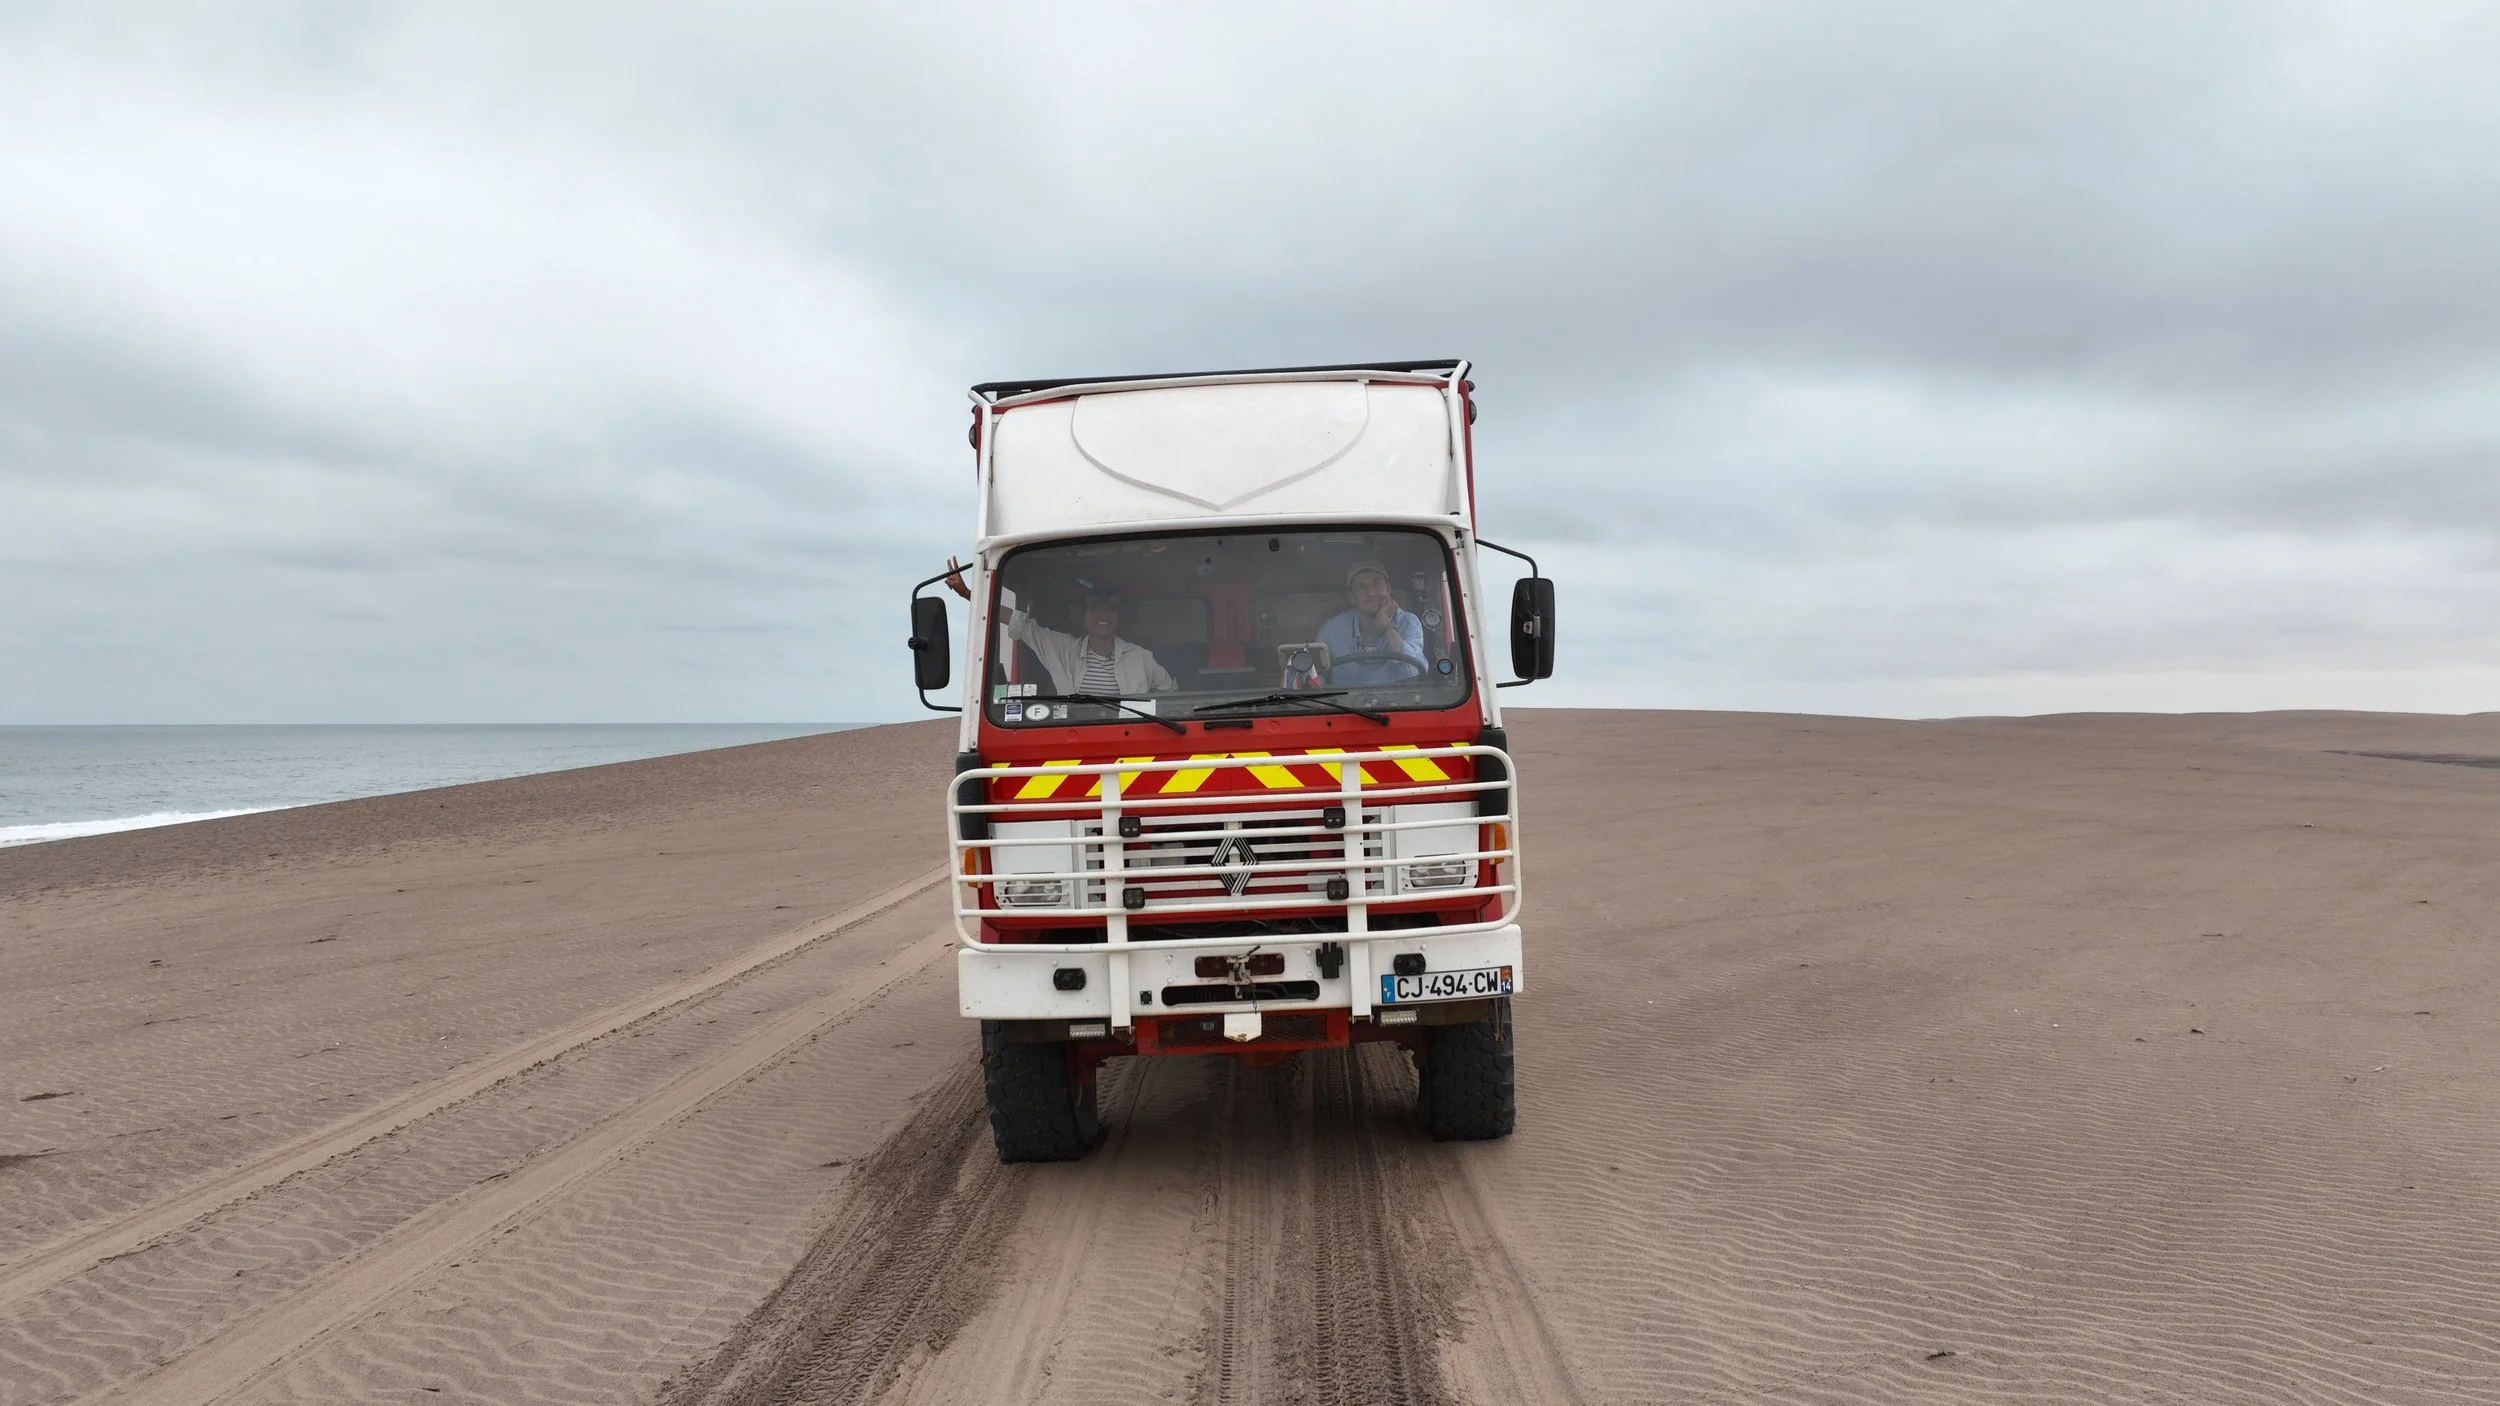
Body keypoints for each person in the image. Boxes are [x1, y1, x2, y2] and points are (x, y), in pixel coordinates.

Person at [946, 557, 1177, 696]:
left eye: (1110, 608)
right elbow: (1020, 623)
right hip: (1076, 741)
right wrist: (968, 594)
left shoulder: (1142, 657)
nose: (1103, 613)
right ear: (1084, 620)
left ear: (1119, 618)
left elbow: (1170, 694)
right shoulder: (1062, 648)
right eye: (1095, 608)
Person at [1316, 559, 1428, 686]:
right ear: (1352, 596)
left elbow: (1415, 670)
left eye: (1377, 584)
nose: (1371, 593)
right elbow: (1314, 675)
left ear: (1388, 588)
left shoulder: (1408, 622)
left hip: (1401, 702)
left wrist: (1388, 627)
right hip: (1345, 703)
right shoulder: (1332, 629)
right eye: (1361, 587)